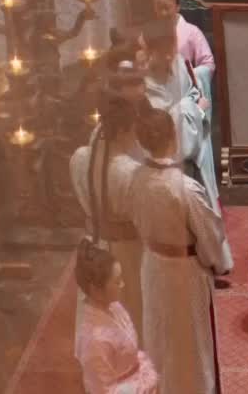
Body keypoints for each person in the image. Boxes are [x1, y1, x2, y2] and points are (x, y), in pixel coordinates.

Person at [127, 109, 232, 394]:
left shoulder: (136, 178)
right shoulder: (185, 188)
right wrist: (214, 262)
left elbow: (135, 219)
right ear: (173, 138)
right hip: (184, 272)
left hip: (152, 264)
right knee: (190, 343)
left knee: (158, 335)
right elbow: (209, 234)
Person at [71, 88, 148, 344]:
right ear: (125, 130)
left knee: (97, 316)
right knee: (129, 308)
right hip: (126, 251)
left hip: (93, 243)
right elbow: (143, 218)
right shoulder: (129, 171)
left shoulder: (79, 158)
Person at [141, 18, 219, 212]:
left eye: (172, 48)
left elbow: (192, 92)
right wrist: (196, 110)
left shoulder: (177, 63)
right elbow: (165, 125)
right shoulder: (145, 86)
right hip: (167, 163)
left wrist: (189, 106)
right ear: (150, 50)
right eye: (163, 51)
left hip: (194, 151)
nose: (170, 55)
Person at [74, 239, 159, 394]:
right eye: (117, 282)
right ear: (96, 290)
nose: (123, 285)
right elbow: (102, 390)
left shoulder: (114, 306)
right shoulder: (93, 340)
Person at [155, 0, 215, 103]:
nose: (163, 13)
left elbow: (208, 64)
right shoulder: (150, 33)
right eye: (159, 8)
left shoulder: (192, 32)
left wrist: (188, 75)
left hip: (185, 95)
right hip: (157, 93)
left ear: (177, 7)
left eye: (167, 8)